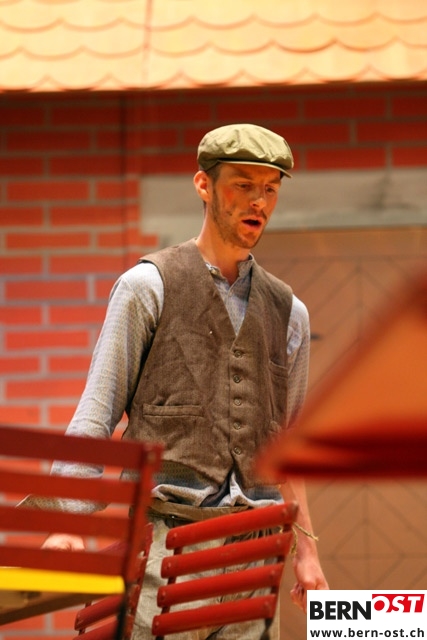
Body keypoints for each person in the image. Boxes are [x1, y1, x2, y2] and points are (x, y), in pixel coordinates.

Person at [41, 123, 328, 638]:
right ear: (204, 185)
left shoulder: (291, 313)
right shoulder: (146, 287)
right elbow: (96, 412)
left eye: (270, 189)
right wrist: (68, 522)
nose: (258, 201)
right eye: (243, 185)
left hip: (256, 556)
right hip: (167, 547)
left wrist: (307, 550)